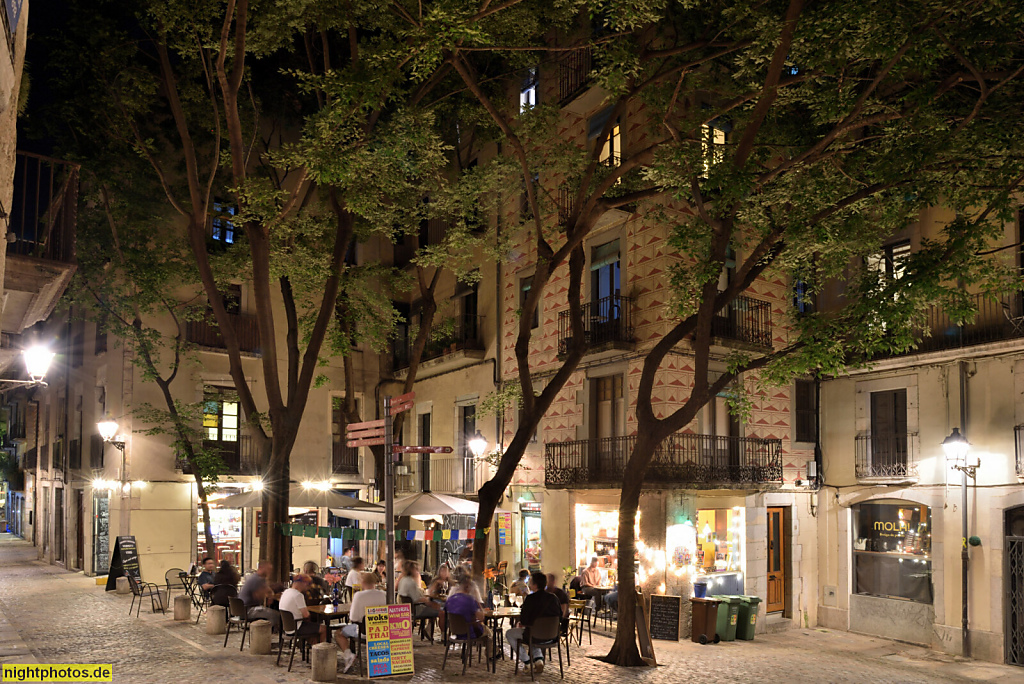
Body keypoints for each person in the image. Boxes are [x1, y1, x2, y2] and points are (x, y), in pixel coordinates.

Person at [505, 572, 562, 674]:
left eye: (530, 582)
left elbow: (524, 620)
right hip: (552, 637)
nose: (529, 584)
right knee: (533, 631)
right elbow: (560, 616)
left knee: (510, 633)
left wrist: (521, 623)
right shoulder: (554, 598)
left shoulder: (530, 599)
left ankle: (527, 661)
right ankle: (539, 659)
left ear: (535, 585)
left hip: (534, 635)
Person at [336, 572, 385, 674]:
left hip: (364, 632)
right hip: (382, 631)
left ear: (362, 582)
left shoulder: (359, 595)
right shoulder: (383, 594)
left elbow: (353, 618)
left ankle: (349, 655)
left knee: (338, 633)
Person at [444, 572, 492, 661]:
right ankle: (491, 655)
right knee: (489, 633)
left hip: (455, 632)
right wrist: (478, 604)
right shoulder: (470, 600)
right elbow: (481, 618)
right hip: (469, 632)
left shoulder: (450, 599)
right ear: (468, 586)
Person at [279, 573, 328, 646]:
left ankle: (311, 646)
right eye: (308, 584)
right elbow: (306, 615)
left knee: (314, 627)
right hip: (297, 627)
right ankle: (319, 652)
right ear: (303, 583)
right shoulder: (298, 595)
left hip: (287, 628)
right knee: (324, 629)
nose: (308, 587)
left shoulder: (286, 592)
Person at [239, 560, 282, 632]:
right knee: (276, 615)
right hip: (248, 610)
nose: (270, 572)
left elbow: (267, 590)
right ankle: (264, 634)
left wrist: (269, 594)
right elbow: (258, 596)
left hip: (244, 609)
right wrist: (270, 596)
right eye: (268, 569)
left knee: (272, 612)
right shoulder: (257, 579)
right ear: (261, 568)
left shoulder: (259, 578)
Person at [397, 560, 440, 628]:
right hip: (416, 610)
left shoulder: (403, 580)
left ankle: (428, 630)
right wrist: (430, 603)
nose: (418, 571)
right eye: (416, 569)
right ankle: (430, 630)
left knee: (433, 607)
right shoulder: (411, 582)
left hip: (408, 608)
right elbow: (417, 599)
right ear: (412, 570)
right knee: (438, 610)